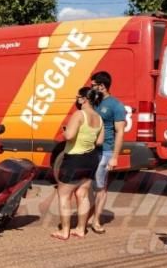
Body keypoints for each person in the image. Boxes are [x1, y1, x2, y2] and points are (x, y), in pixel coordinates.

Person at [51, 87, 104, 240]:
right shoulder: (99, 118)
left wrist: (64, 131)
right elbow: (99, 141)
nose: (77, 99)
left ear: (84, 99)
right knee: (83, 194)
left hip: (75, 159)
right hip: (91, 158)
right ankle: (81, 229)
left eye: (78, 97)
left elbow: (69, 135)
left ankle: (64, 231)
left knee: (64, 195)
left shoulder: (79, 114)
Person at [89, 71, 126, 234]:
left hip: (105, 151)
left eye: (94, 85)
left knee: (100, 187)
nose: (91, 87)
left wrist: (114, 158)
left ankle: (96, 221)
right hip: (89, 151)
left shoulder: (116, 105)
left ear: (102, 86)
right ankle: (88, 217)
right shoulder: (93, 102)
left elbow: (120, 132)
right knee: (88, 186)